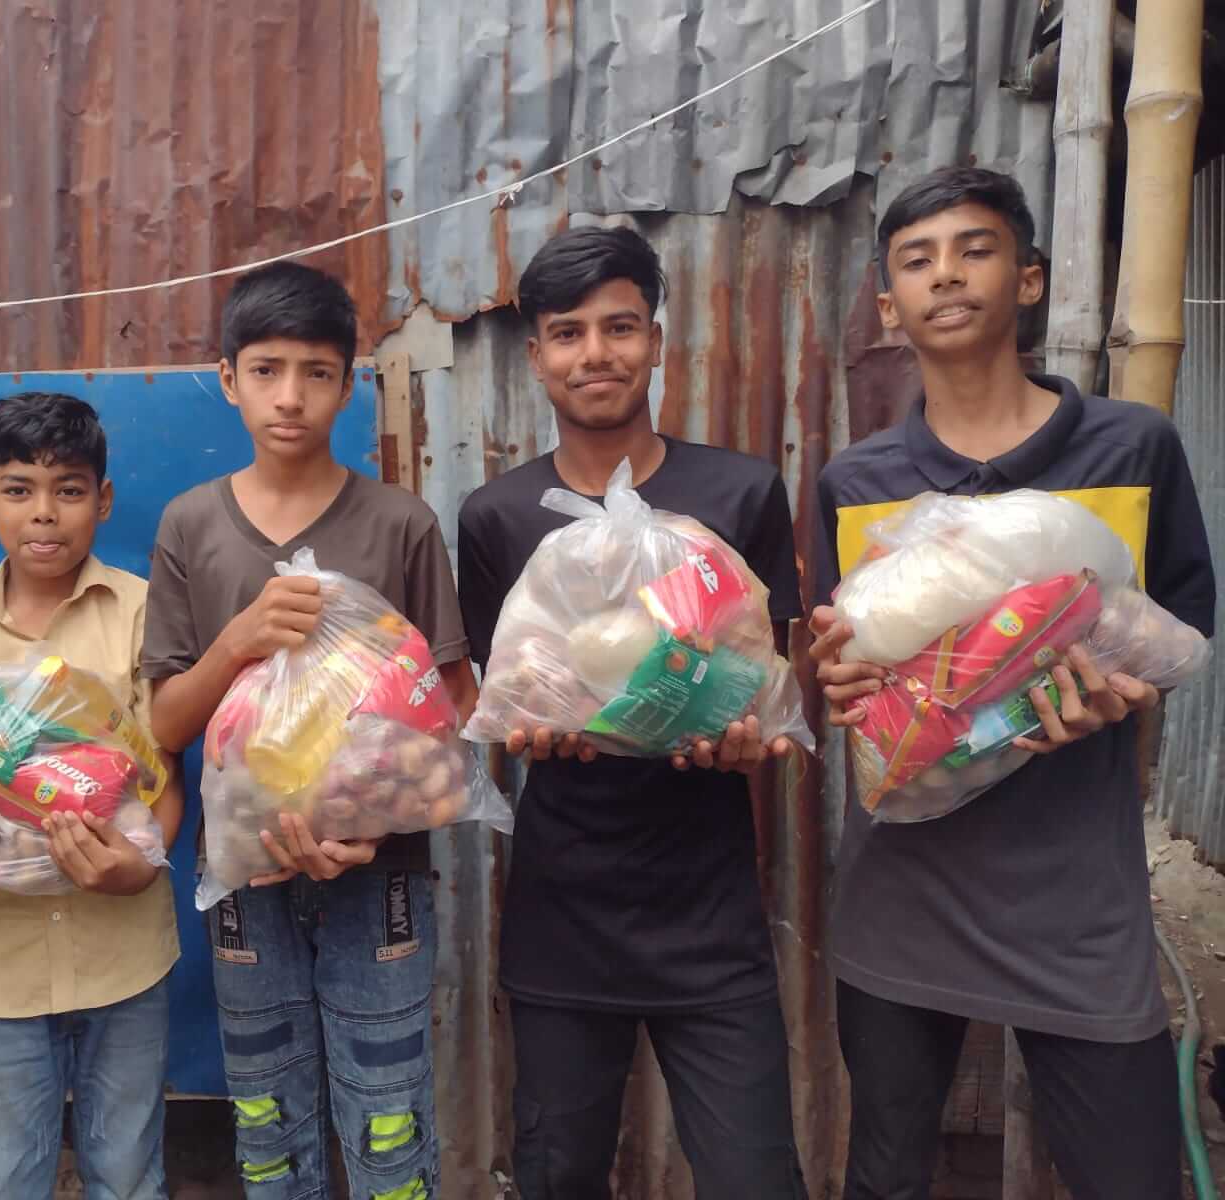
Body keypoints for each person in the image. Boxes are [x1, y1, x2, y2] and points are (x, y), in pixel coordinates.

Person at [807, 165, 1217, 1199]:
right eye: (916, 260)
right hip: (902, 889)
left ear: (1028, 279)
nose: (945, 275)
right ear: (889, 307)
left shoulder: (1131, 449)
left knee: (1128, 1177)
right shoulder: (855, 482)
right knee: (886, 1174)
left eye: (973, 249)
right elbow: (845, 680)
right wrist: (831, 680)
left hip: (1076, 896)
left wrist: (1131, 696)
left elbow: (1178, 636)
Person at [456, 225, 809, 1199]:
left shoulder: (737, 492)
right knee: (557, 1174)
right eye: (567, 333)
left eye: (619, 327)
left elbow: (764, 683)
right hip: (563, 911)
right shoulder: (497, 515)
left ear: (656, 341)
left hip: (709, 912)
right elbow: (511, 689)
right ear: (535, 357)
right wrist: (526, 731)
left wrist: (745, 744)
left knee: (755, 1176)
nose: (595, 353)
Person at [141, 262, 473, 1200]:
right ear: (228, 377)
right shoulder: (191, 524)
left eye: (317, 372)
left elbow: (450, 726)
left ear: (348, 383)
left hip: (382, 874)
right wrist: (237, 642)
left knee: (387, 1112)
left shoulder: (400, 524)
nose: (290, 396)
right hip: (244, 867)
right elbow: (164, 723)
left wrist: (368, 823)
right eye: (267, 369)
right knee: (267, 1120)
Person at [0, 392, 184, 1200]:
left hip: (125, 951)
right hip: (4, 961)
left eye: (67, 488)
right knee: (2, 1178)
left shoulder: (141, 612)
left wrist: (140, 863)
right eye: (19, 489)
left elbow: (164, 773)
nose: (44, 514)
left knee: (128, 1173)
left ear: (103, 499)